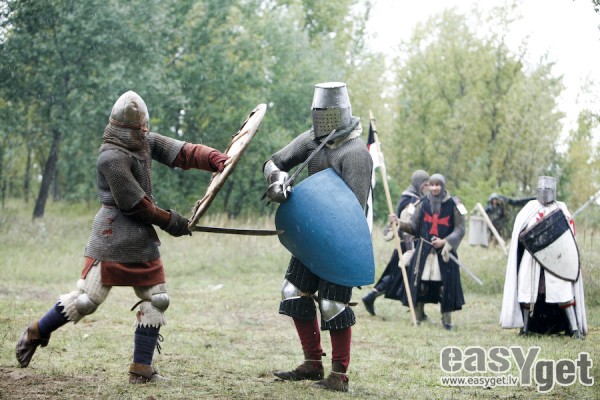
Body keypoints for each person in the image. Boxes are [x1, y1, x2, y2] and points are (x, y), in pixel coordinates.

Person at [15, 91, 229, 383]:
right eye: (141, 126)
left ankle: (141, 369)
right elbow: (135, 205)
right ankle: (36, 331)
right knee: (87, 301)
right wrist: (172, 221)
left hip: (141, 239)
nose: (145, 131)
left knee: (158, 299)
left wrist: (215, 158)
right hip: (111, 235)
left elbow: (182, 152)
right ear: (131, 127)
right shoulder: (110, 157)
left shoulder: (144, 141)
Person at [264, 82, 372, 392]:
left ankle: (338, 375)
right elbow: (273, 162)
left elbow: (352, 210)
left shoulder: (356, 153)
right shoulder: (310, 141)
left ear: (340, 112)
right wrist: (278, 180)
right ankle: (312, 363)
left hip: (340, 240)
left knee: (333, 304)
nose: (321, 117)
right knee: (293, 292)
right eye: (318, 111)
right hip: (310, 235)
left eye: (327, 112)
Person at [500, 176, 587, 338]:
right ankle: (525, 329)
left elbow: (570, 234)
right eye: (541, 189)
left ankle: (574, 329)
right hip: (531, 256)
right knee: (527, 289)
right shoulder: (529, 208)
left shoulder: (561, 208)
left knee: (562, 289)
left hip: (557, 258)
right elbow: (519, 233)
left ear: (553, 190)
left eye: (547, 189)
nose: (544, 192)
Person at [396, 173, 466, 329]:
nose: (434, 188)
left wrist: (445, 241)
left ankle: (447, 321)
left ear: (443, 186)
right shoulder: (422, 203)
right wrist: (399, 223)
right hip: (424, 250)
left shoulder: (454, 204)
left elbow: (460, 229)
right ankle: (418, 317)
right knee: (420, 285)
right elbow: (413, 227)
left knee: (445, 287)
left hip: (445, 251)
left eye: (437, 185)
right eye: (432, 185)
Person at [362, 170, 429, 316]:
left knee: (397, 276)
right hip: (407, 245)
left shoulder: (411, 197)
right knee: (398, 277)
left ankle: (372, 296)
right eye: (426, 185)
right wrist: (410, 250)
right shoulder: (412, 200)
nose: (428, 188)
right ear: (420, 184)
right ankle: (371, 297)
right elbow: (407, 225)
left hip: (407, 246)